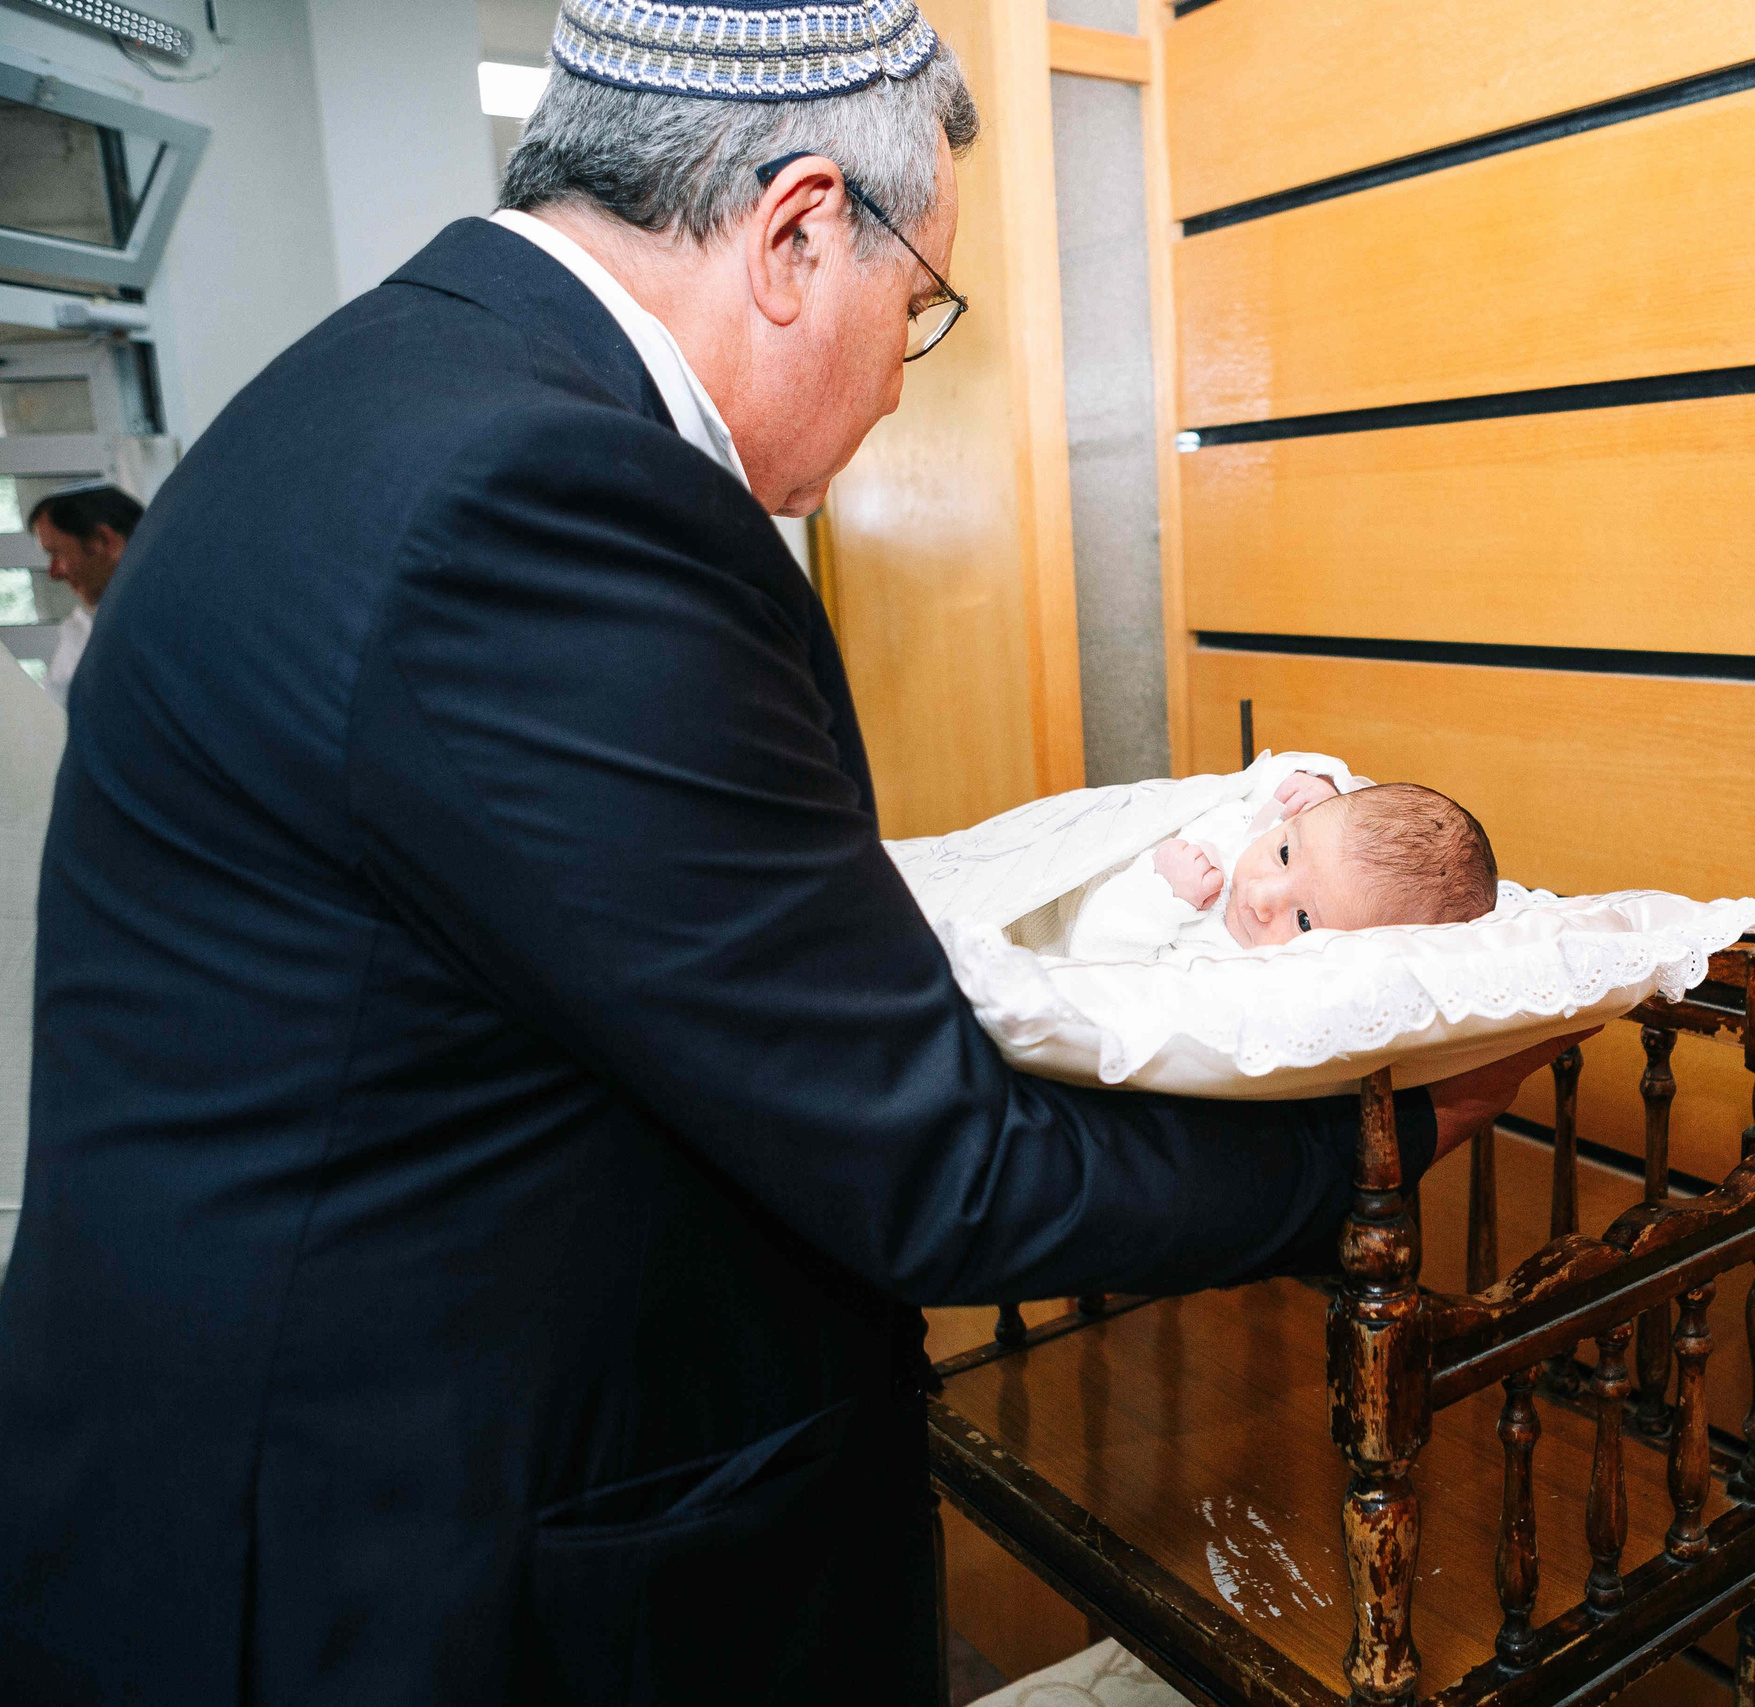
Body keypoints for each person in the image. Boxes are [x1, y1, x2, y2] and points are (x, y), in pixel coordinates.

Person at [0, 3, 1575, 1703]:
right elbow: (928, 1167)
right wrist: (1377, 1142)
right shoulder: (538, 495)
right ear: (800, 228)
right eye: (919, 307)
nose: (907, 373)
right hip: (391, 1553)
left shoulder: (376, 389)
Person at [1067, 771, 1500, 962]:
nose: (1260, 896)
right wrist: (1324, 787)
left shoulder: (1240, 975)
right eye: (1286, 856)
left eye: (1305, 921)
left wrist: (1158, 897)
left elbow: (1091, 960)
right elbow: (1269, 776)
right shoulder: (1255, 827)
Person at [24, 482, 142, 708]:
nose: (53, 573)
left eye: (56, 554)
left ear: (103, 540)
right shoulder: (82, 628)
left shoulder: (181, 613)